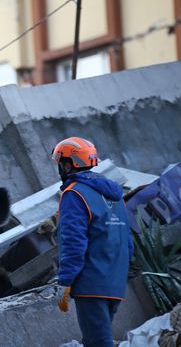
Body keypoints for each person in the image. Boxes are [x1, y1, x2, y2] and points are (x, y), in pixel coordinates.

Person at [52, 137, 134, 347]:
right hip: (115, 282)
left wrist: (66, 281)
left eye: (60, 163)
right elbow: (127, 240)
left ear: (69, 164)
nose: (60, 168)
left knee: (98, 342)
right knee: (94, 340)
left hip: (91, 282)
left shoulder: (74, 193)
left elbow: (73, 241)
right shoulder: (115, 196)